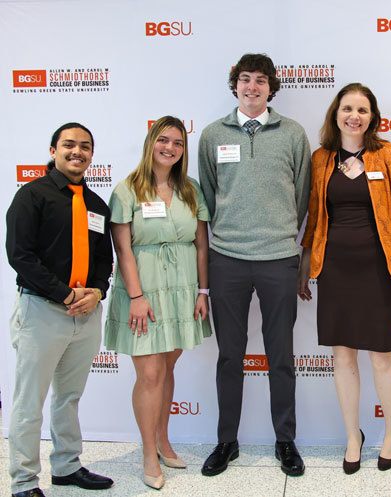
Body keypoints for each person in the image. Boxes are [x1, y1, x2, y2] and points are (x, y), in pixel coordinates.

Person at [198, 53, 311, 477]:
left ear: (271, 88)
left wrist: (282, 236)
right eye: (244, 80)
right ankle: (227, 441)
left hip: (279, 258)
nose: (252, 87)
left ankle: (286, 440)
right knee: (230, 356)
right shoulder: (211, 135)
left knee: (280, 355)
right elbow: (208, 196)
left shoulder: (293, 134)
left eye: (260, 81)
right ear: (235, 85)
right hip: (227, 259)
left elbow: (302, 198)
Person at [298, 82, 391, 473]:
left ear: (373, 117)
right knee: (342, 355)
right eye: (347, 108)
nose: (354, 116)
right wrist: (306, 265)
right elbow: (314, 218)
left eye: (362, 110)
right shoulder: (321, 159)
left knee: (382, 355)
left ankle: (390, 432)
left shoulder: (390, 155)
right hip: (334, 268)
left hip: (380, 266)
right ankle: (353, 435)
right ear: (336, 114)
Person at [5, 123, 114, 497]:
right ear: (53, 150)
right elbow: (20, 256)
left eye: (85, 146)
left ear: (92, 156)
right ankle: (23, 481)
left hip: (85, 316)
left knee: (69, 397)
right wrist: (66, 295)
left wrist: (97, 292)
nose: (77, 152)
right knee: (29, 401)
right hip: (42, 312)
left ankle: (67, 467)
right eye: (69, 145)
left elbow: (104, 261)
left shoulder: (97, 205)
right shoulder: (31, 196)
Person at [104, 116, 211, 490]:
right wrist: (136, 297)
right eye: (163, 140)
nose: (170, 148)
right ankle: (148, 452)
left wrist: (203, 291)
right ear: (151, 142)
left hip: (182, 288)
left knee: (166, 367)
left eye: (178, 143)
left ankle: (164, 440)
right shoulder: (127, 190)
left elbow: (201, 244)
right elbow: (123, 249)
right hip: (144, 291)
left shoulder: (191, 189)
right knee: (149, 374)